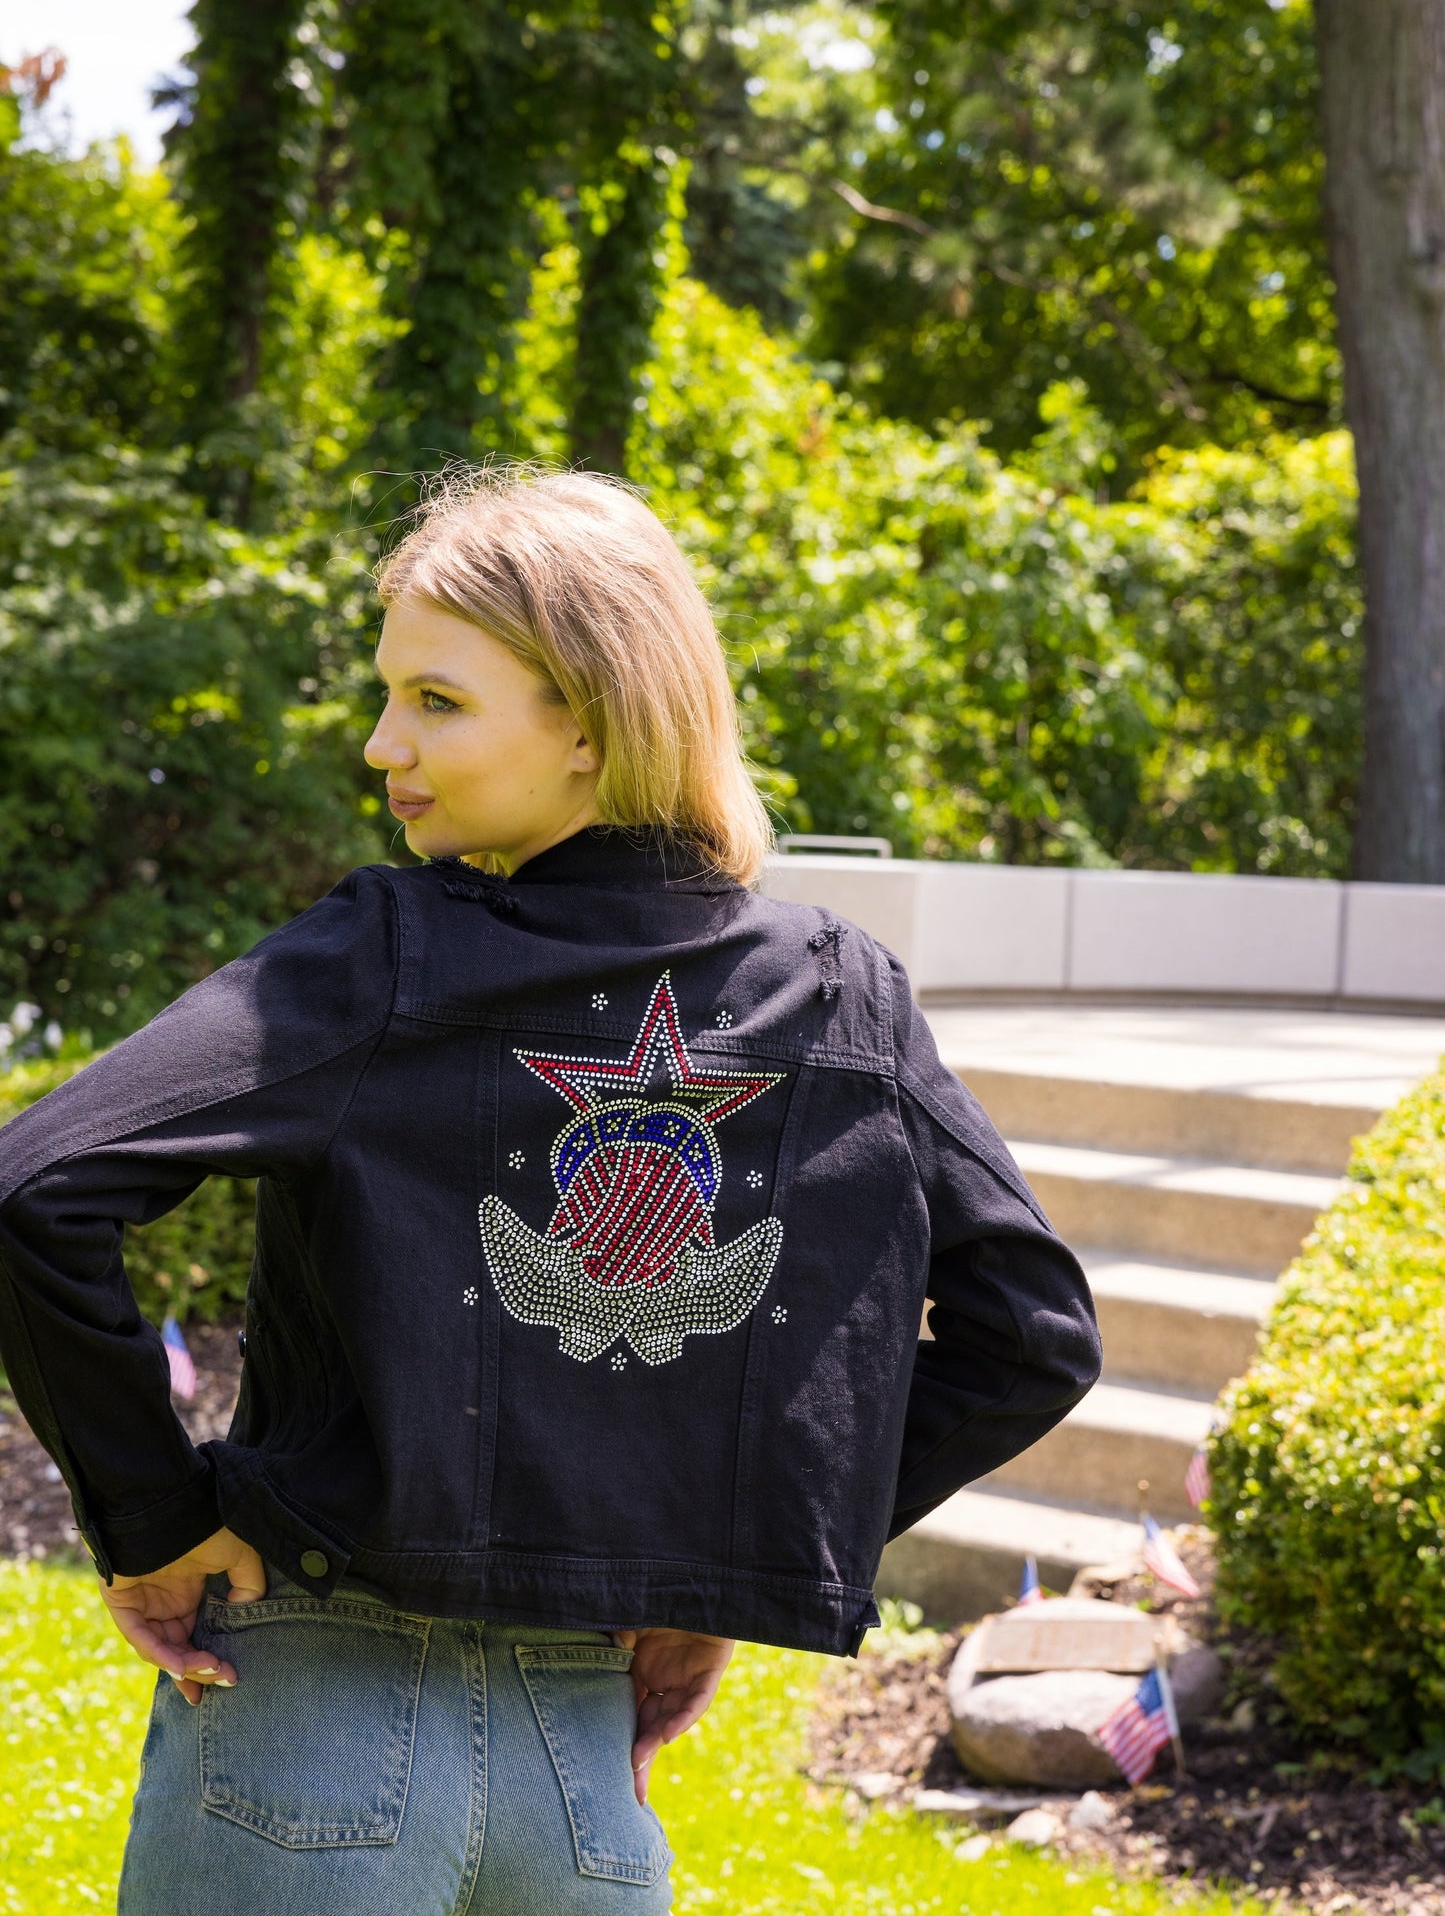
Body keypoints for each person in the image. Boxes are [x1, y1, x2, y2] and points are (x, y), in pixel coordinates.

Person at [0, 469, 1101, 1913]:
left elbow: (33, 1187)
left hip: (305, 1727)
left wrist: (147, 1514)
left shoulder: (382, 956)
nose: (383, 741)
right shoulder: (840, 994)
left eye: (437, 701)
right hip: (583, 1785)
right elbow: (1034, 1336)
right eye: (389, 694)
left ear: (588, 719)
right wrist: (721, 1563)